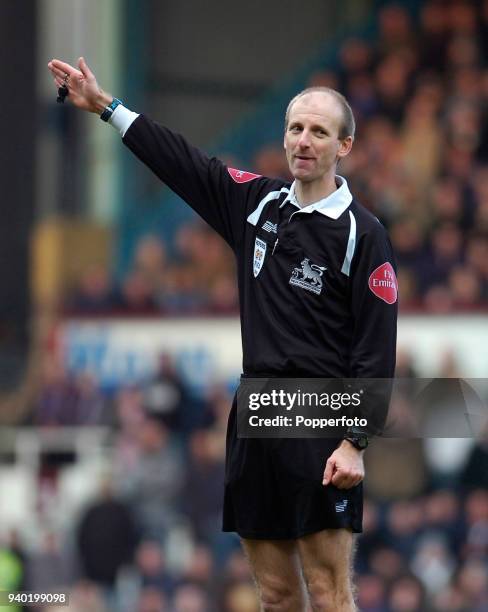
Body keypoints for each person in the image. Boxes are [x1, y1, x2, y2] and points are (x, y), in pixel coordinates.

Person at [48, 57, 398, 611]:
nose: (303, 141)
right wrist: (108, 108)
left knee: (329, 593)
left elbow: (377, 350)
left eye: (319, 132)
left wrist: (355, 442)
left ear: (344, 147)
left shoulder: (363, 233)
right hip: (256, 412)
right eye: (295, 128)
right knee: (277, 596)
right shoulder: (258, 204)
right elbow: (184, 163)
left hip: (320, 415)